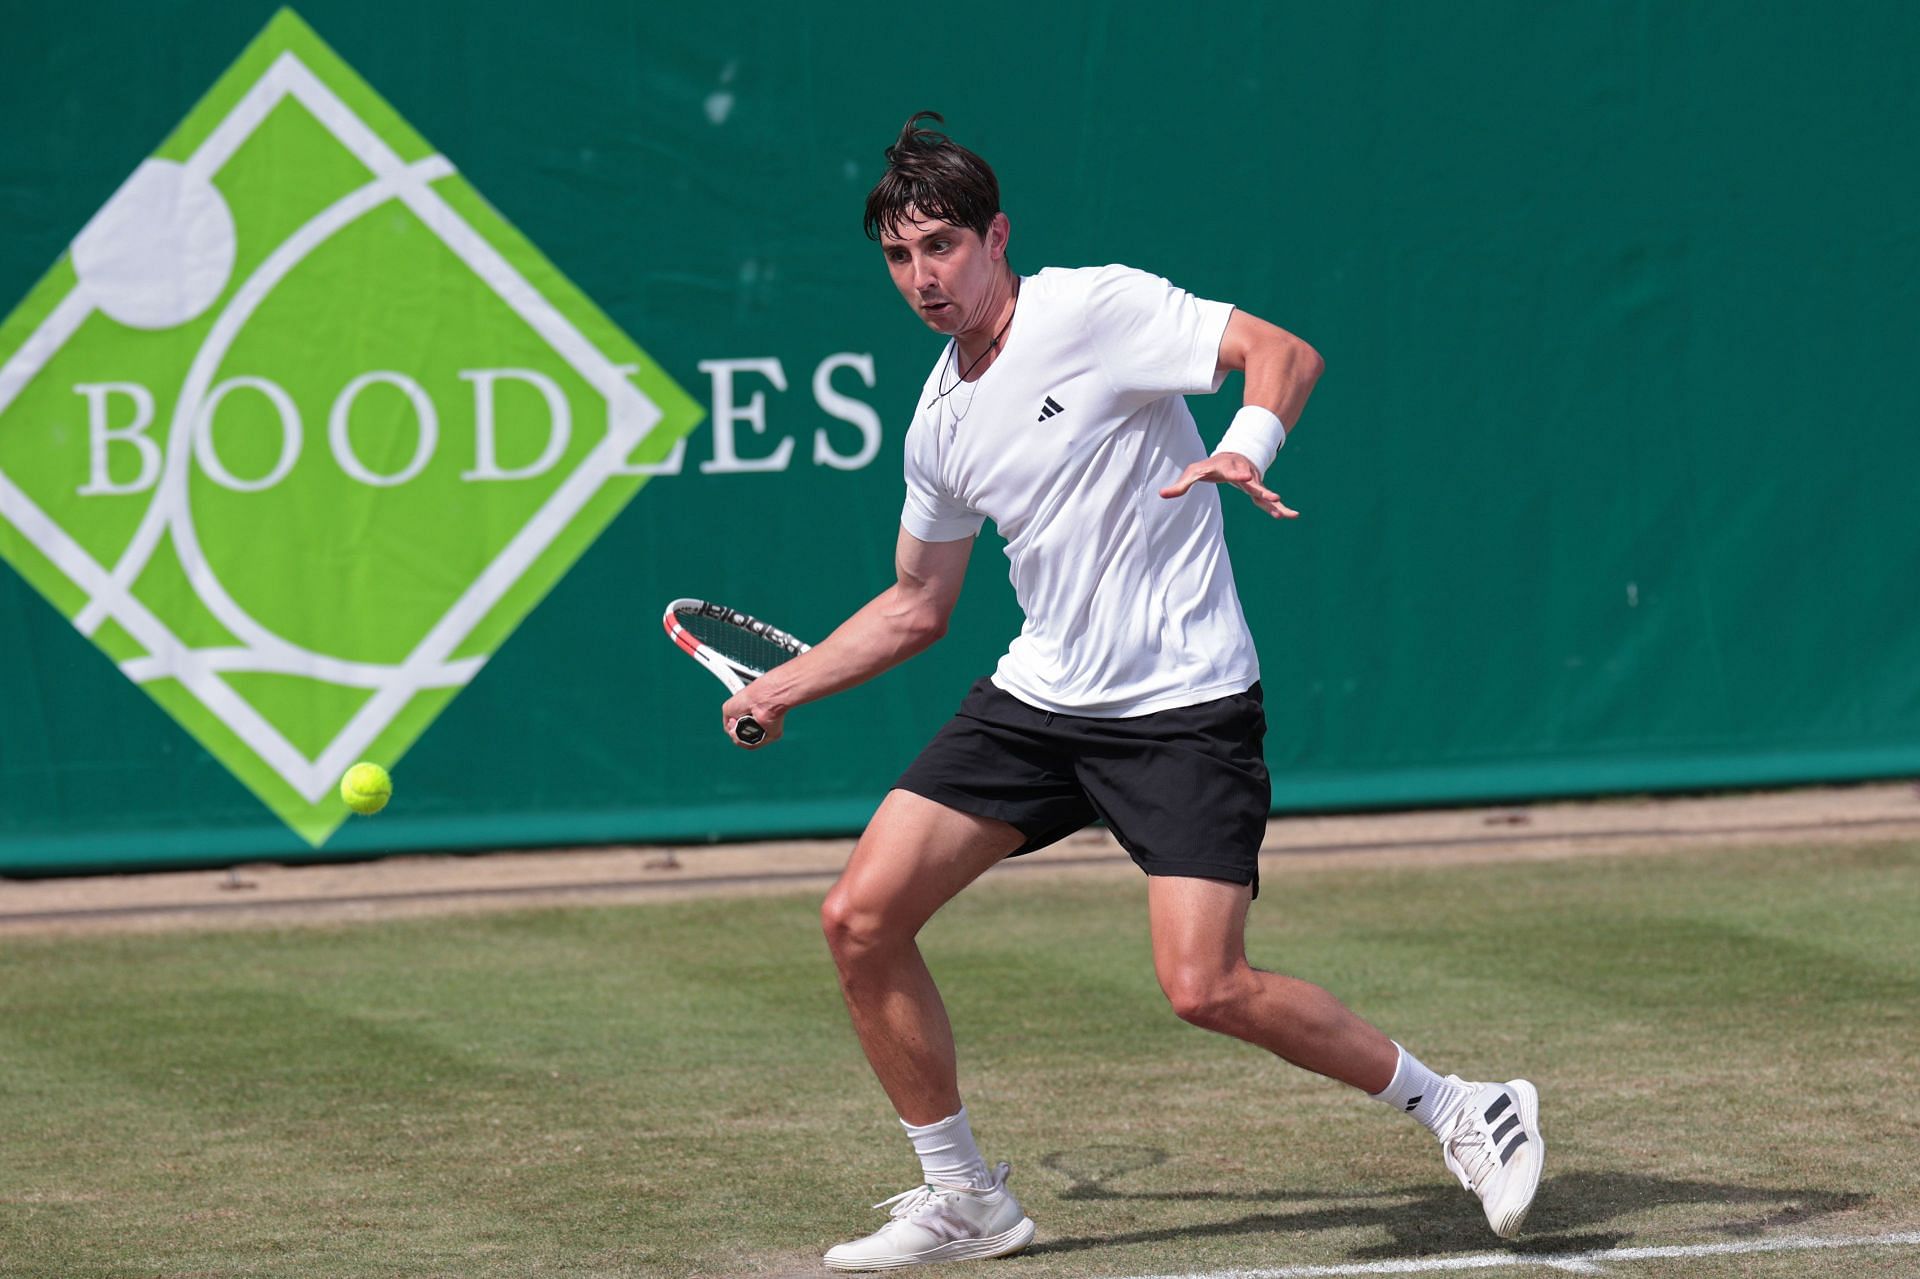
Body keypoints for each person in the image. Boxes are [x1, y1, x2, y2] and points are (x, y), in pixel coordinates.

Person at [719, 111, 1544, 1272]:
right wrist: (786, 686)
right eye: (901, 257)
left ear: (996, 236)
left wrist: (1246, 446)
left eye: (944, 245)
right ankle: (963, 1198)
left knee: (1206, 986)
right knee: (859, 918)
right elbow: (917, 604)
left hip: (1183, 703)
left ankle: (1464, 1106)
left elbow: (1283, 354)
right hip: (1040, 700)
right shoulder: (939, 418)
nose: (923, 277)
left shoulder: (1092, 309)